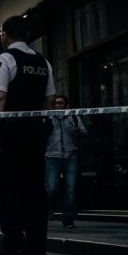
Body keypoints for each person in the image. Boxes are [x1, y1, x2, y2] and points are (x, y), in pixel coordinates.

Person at [0, 16, 56, 255]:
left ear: (5, 34)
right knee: (35, 187)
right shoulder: (43, 63)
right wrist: (42, 123)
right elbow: (49, 99)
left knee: (8, 187)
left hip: (10, 132)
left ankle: (13, 242)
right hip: (35, 132)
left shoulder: (4, 59)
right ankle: (37, 245)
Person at [45, 94, 86, 229]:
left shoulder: (73, 117)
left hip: (70, 156)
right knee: (52, 188)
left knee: (70, 188)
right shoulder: (49, 117)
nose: (58, 106)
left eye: (61, 103)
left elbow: (83, 133)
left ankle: (68, 218)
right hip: (52, 157)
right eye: (56, 103)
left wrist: (77, 133)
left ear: (66, 105)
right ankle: (48, 210)